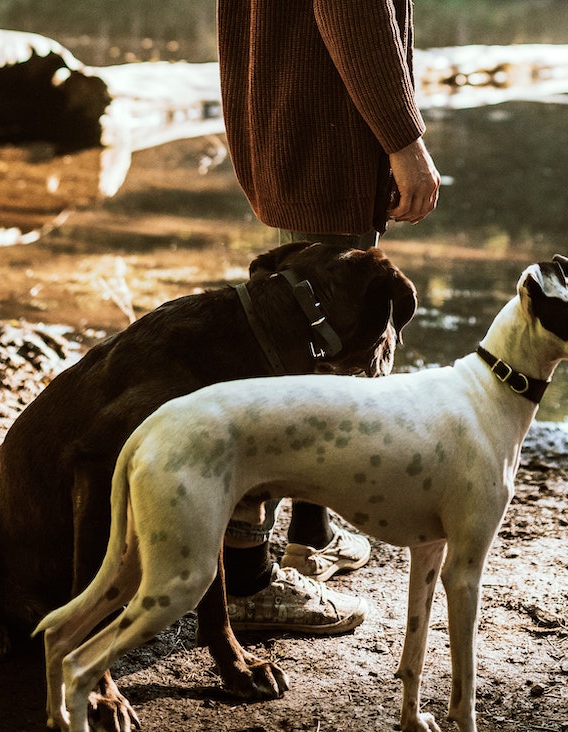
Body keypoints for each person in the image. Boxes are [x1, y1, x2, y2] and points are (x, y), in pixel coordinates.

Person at [215, 0, 441, 635]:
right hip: (326, 130)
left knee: (326, 360)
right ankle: (248, 580)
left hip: (308, 121)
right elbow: (352, 12)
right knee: (299, 368)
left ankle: (310, 533)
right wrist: (404, 139)